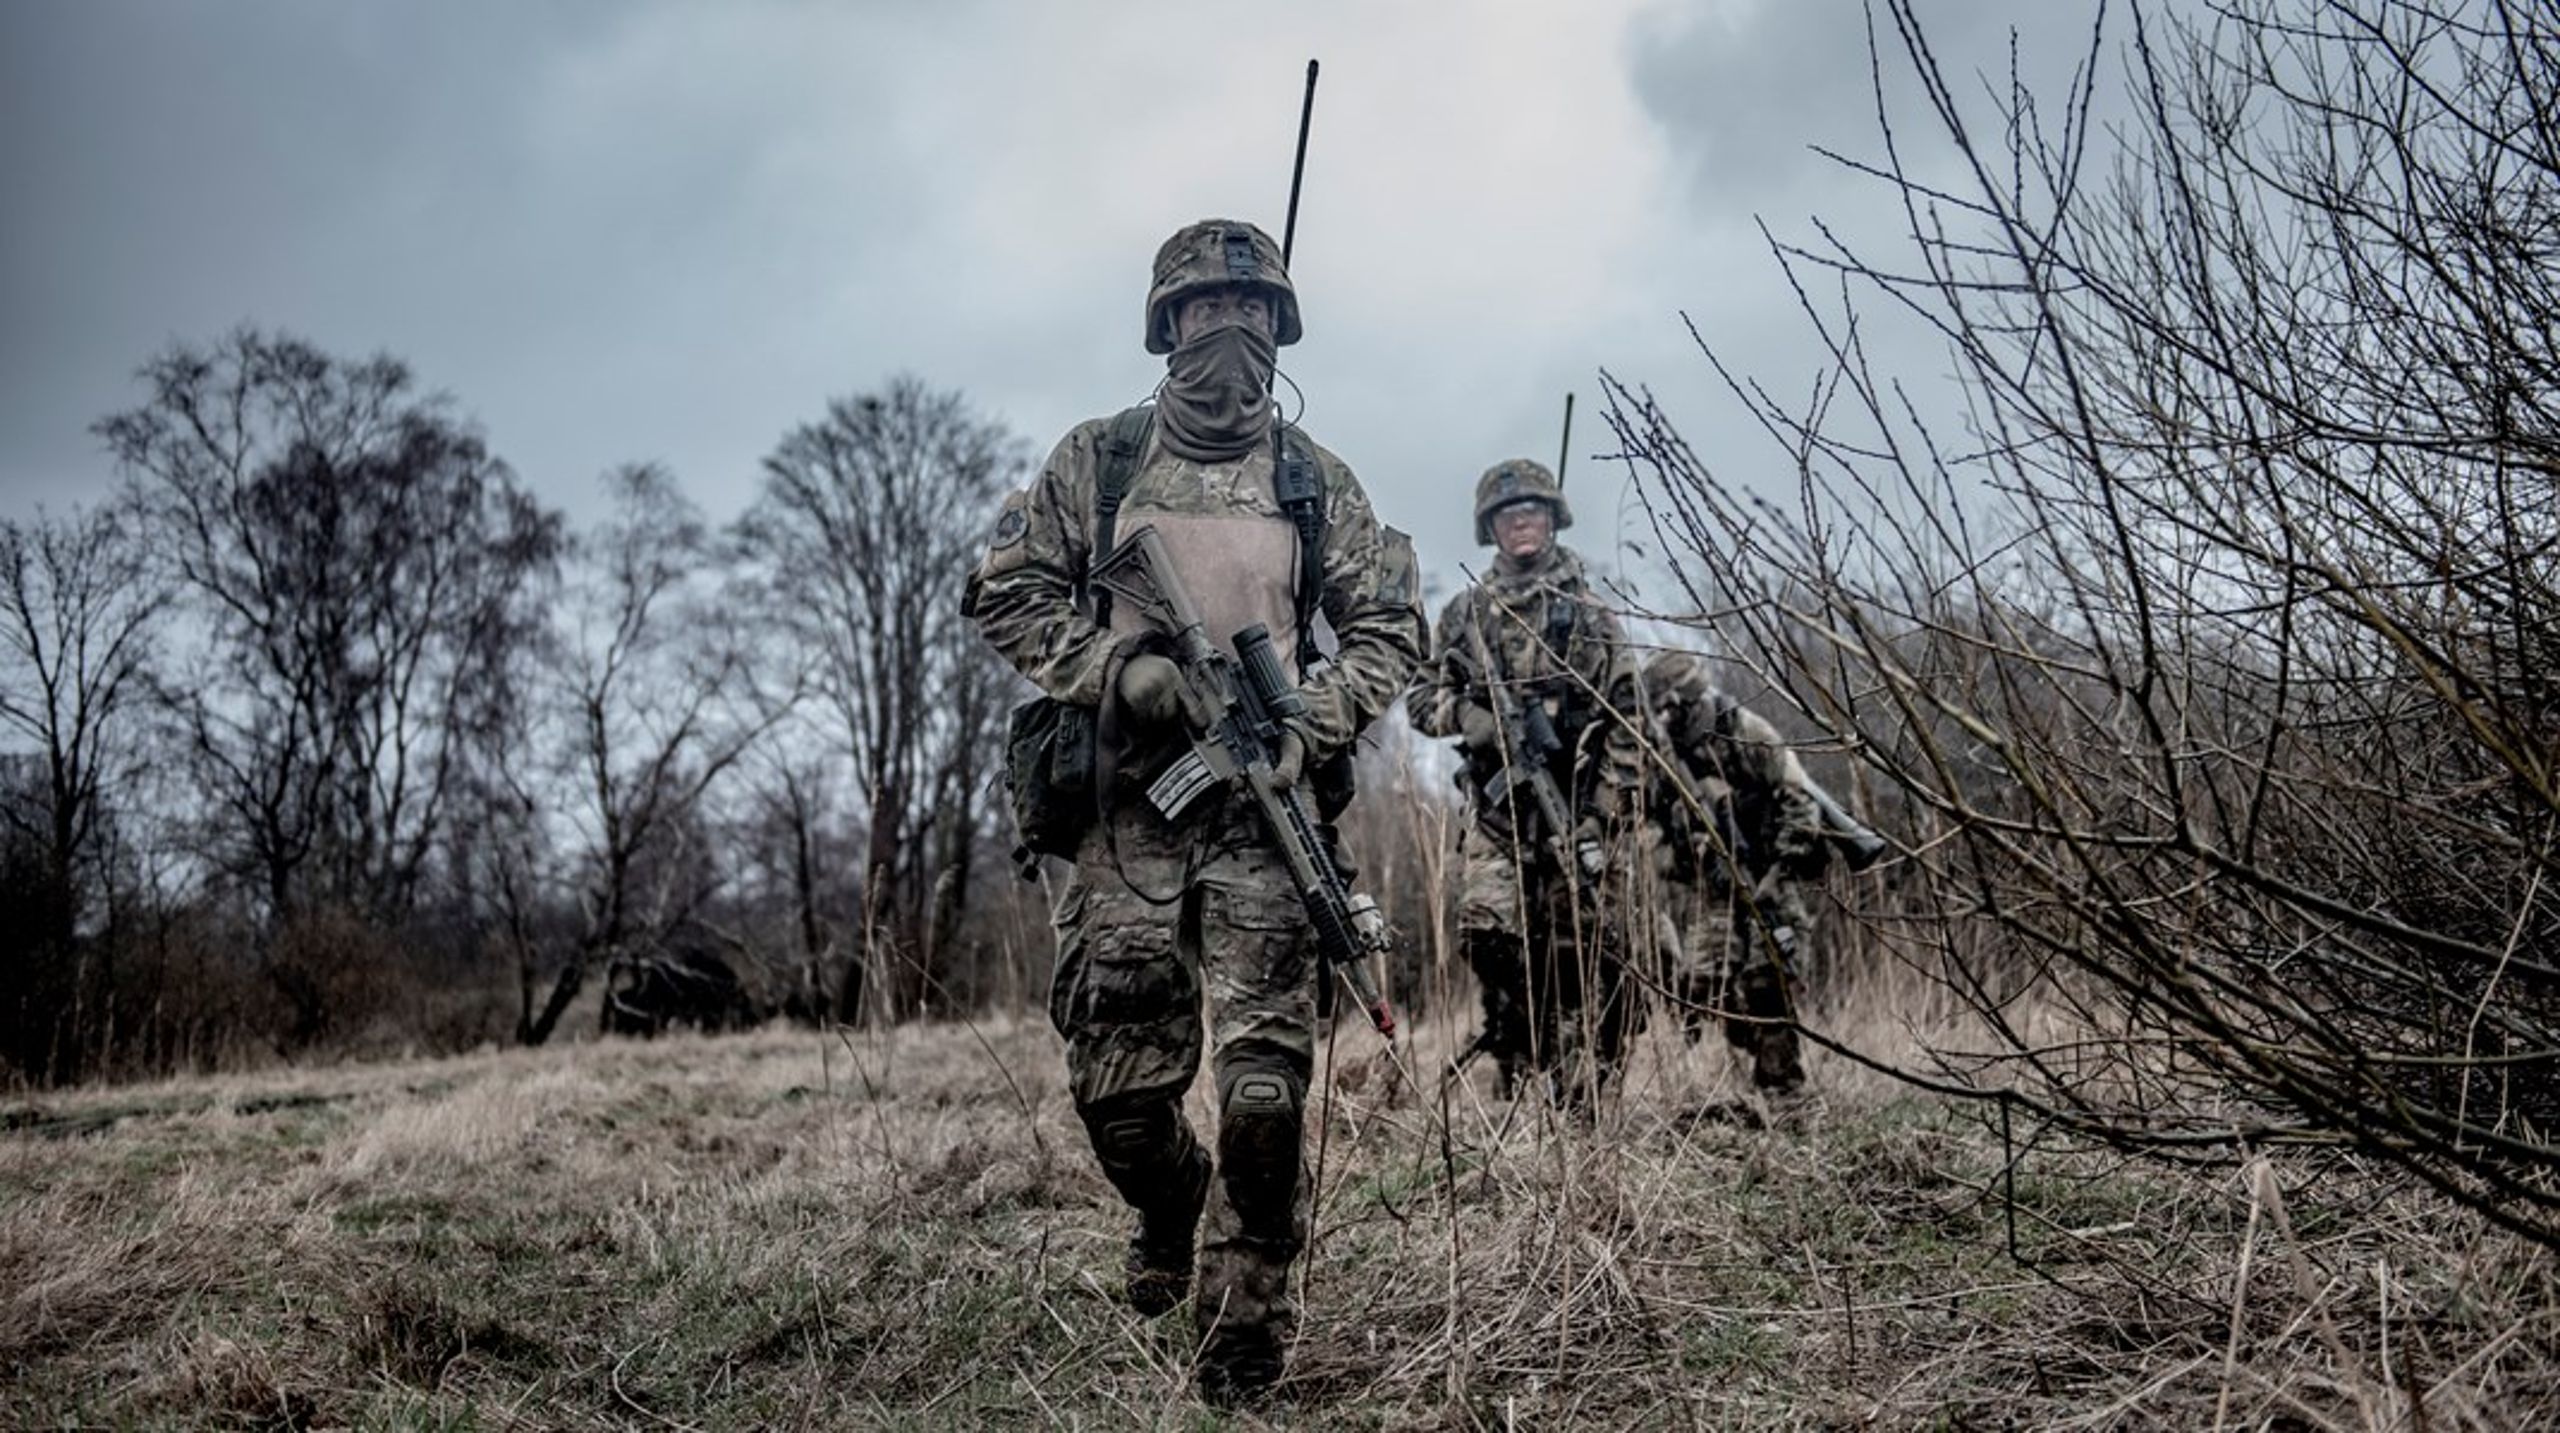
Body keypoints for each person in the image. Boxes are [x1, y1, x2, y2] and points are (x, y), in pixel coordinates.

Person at [963, 218, 1424, 1405]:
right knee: (1119, 1096)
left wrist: (1316, 712)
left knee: (1265, 1097)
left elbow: (1390, 629)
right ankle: (1171, 1207)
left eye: (1255, 310)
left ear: (1283, 327)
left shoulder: (1316, 481)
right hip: (1127, 815)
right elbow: (1002, 590)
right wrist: (1122, 670)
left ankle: (1242, 1333)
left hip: (1266, 817)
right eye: (1208, 311)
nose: (1233, 331)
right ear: (1168, 326)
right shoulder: (1101, 461)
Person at [1407, 459, 1644, 1109]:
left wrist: (1603, 810)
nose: (1522, 523)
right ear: (1491, 527)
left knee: (1582, 945)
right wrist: (1472, 718)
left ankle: (1584, 1076)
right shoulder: (1466, 615)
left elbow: (1630, 716)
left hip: (1578, 804)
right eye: (1509, 515)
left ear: (1553, 520)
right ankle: (1516, 1052)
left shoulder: (1589, 613)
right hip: (1497, 810)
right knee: (1488, 933)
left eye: (1533, 512)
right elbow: (1421, 698)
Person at [1635, 649, 1830, 1095]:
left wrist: (1776, 874)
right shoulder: (1662, 757)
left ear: (1686, 700)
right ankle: (1747, 1054)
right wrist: (1689, 855)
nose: (1663, 719)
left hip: (1767, 874)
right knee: (1705, 985)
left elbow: (1799, 802)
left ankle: (1782, 1089)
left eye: (1669, 708)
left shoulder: (1749, 733)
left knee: (1768, 982)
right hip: (1711, 885)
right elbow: (1644, 829)